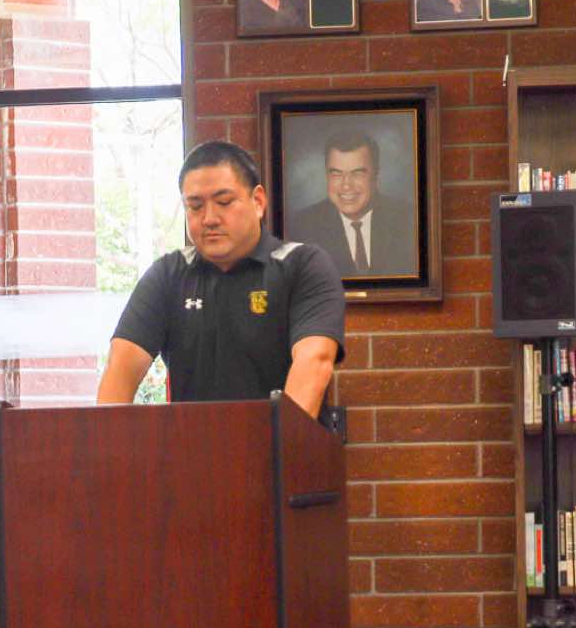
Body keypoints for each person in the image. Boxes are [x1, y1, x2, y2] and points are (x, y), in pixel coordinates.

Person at [96, 141, 343, 418]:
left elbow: (315, 362)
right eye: (195, 206)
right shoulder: (168, 275)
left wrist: (281, 442)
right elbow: (121, 367)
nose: (209, 219)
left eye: (224, 202)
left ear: (258, 202)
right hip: (192, 443)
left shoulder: (304, 266)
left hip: (283, 442)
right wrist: (105, 441)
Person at [286, 129, 419, 280]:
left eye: (357, 173)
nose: (346, 185)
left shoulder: (409, 219)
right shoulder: (303, 226)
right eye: (336, 174)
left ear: (376, 175)